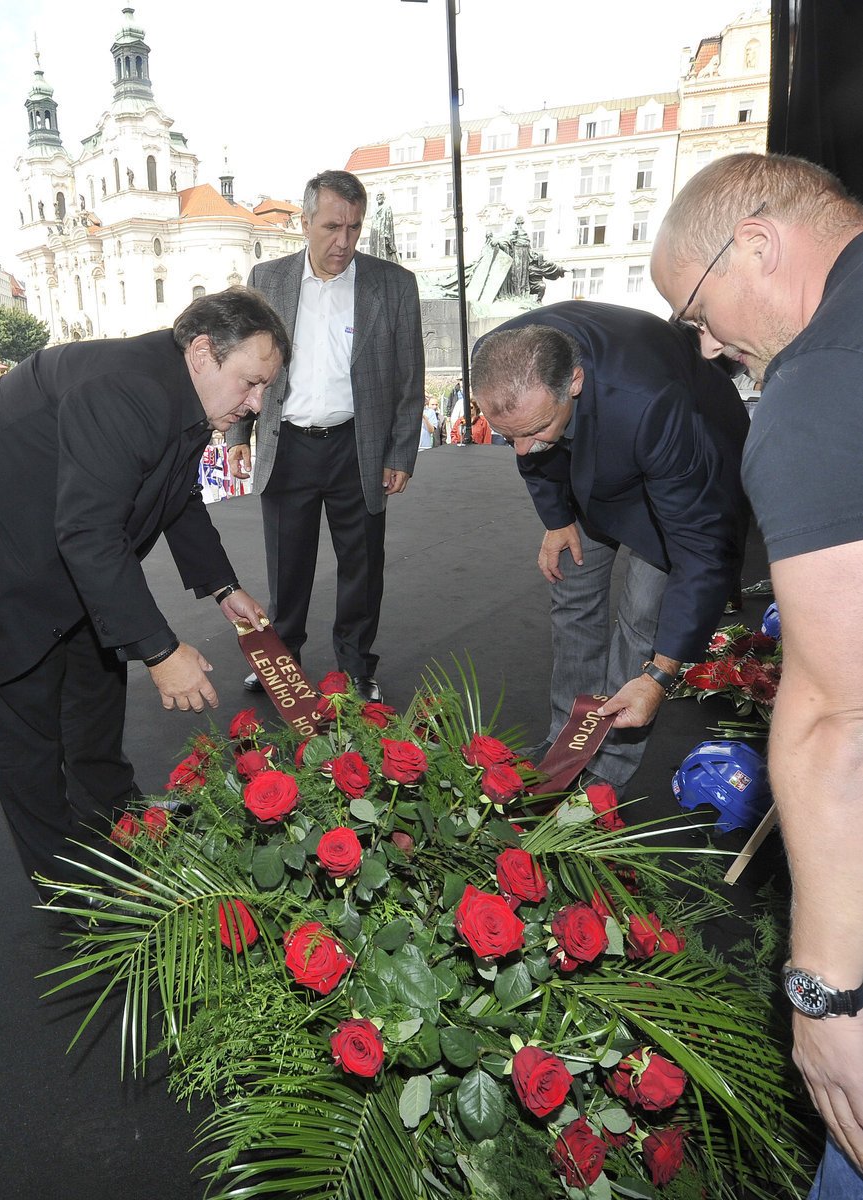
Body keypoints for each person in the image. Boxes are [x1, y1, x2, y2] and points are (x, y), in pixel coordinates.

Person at [0, 288, 289, 893]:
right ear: (205, 352)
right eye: (252, 383)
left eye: (265, 388)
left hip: (56, 526)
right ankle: (70, 886)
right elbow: (88, 532)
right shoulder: (129, 389)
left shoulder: (185, 386)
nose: (257, 403)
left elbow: (174, 489)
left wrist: (222, 586)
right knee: (22, 716)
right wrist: (161, 651)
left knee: (96, 677)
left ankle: (115, 818)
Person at [651, 152, 863, 1200]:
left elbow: (836, 710)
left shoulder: (815, 387)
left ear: (760, 247)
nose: (700, 340)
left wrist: (827, 999)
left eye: (694, 304)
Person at [471, 302, 749, 790]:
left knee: (643, 616)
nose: (520, 449)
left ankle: (606, 775)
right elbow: (530, 447)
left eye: (534, 430)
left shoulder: (650, 405)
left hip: (681, 454)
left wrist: (660, 675)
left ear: (573, 382)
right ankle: (566, 747)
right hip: (593, 452)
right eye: (507, 435)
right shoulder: (502, 362)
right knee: (573, 596)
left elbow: (700, 549)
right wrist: (557, 518)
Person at [227, 169, 424, 703]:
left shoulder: (394, 284)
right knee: (286, 565)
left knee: (362, 566)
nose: (344, 242)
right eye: (333, 226)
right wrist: (239, 433)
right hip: (286, 443)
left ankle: (356, 667)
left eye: (355, 229)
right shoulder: (267, 279)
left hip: (357, 445)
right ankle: (282, 661)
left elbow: (410, 376)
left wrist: (401, 450)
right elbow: (245, 362)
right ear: (306, 220)